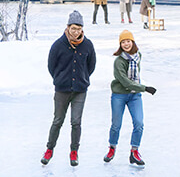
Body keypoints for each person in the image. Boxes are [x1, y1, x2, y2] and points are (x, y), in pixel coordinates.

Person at [43, 10, 97, 167]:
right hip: (62, 90)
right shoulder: (58, 45)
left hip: (80, 90)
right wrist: (60, 79)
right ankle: (49, 149)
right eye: (73, 28)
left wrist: (83, 78)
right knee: (58, 120)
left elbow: (91, 66)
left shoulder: (87, 45)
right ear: (68, 27)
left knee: (76, 122)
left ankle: (74, 151)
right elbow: (51, 66)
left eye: (79, 28)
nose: (76, 31)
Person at [105, 30, 157, 167]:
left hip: (134, 95)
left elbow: (135, 75)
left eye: (128, 41)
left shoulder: (138, 56)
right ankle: (112, 148)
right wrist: (144, 88)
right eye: (123, 42)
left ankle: (134, 151)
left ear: (132, 42)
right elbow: (125, 82)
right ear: (120, 45)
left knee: (139, 123)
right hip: (119, 95)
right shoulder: (118, 61)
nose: (126, 44)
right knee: (116, 125)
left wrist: (139, 89)